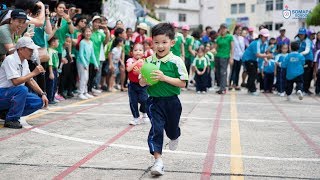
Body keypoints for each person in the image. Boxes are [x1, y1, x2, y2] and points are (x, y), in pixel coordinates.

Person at [139, 23, 188, 176]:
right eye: (157, 42)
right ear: (151, 42)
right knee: (156, 129)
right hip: (154, 102)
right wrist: (145, 80)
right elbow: (141, 81)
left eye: (164, 42)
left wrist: (163, 77)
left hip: (172, 102)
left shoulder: (176, 61)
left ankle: (175, 136)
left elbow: (183, 83)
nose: (160, 46)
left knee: (172, 130)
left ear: (172, 43)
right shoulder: (148, 61)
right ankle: (158, 161)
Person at [0, 37, 48, 129]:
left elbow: (30, 80)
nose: (32, 52)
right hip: (2, 93)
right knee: (22, 89)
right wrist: (34, 73)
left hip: (12, 94)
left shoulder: (24, 61)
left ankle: (4, 114)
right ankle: (11, 119)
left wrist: (42, 93)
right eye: (30, 49)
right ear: (21, 49)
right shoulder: (10, 59)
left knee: (38, 101)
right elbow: (15, 82)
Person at [242, 28, 271, 95]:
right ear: (260, 36)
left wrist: (266, 60)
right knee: (253, 73)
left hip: (254, 59)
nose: (266, 38)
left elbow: (263, 53)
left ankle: (250, 88)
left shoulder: (265, 43)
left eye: (267, 37)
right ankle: (252, 89)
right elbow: (258, 54)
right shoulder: (256, 43)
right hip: (248, 59)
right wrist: (267, 56)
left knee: (253, 74)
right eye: (265, 37)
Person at [126, 43, 148, 125]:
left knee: (144, 100)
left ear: (143, 52)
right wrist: (137, 62)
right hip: (132, 85)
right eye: (135, 50)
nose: (138, 52)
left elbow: (147, 73)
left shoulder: (145, 61)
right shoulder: (130, 60)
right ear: (132, 52)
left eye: (140, 50)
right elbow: (128, 69)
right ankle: (136, 117)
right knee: (133, 101)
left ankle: (144, 112)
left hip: (143, 84)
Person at [77, 27, 97, 100]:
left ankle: (85, 92)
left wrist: (95, 63)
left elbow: (92, 54)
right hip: (81, 62)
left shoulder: (91, 42)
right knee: (83, 77)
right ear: (83, 33)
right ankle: (80, 93)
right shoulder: (82, 42)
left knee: (86, 78)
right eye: (86, 32)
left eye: (89, 31)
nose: (88, 33)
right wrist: (85, 64)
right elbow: (81, 54)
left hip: (87, 62)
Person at [215, 23, 234, 94]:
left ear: (226, 29)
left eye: (224, 28)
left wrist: (231, 57)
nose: (223, 30)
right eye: (221, 28)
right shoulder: (218, 38)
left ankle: (223, 88)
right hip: (217, 56)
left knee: (223, 72)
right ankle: (220, 87)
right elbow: (216, 48)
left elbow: (232, 48)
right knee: (218, 73)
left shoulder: (230, 37)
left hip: (225, 57)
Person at [295, 28, 314, 95]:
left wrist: (297, 54)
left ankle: (305, 90)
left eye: (302, 34)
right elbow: (295, 48)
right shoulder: (297, 40)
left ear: (305, 34)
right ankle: (299, 89)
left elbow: (307, 50)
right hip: (300, 59)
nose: (301, 35)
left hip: (307, 60)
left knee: (306, 75)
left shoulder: (308, 41)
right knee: (299, 74)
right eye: (300, 34)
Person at [229, 25, 245, 91]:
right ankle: (230, 84)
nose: (239, 31)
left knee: (238, 71)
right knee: (233, 71)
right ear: (235, 30)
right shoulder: (232, 37)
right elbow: (231, 48)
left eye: (240, 30)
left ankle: (236, 84)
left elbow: (243, 48)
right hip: (234, 56)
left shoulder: (242, 38)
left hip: (240, 56)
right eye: (238, 30)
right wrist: (231, 57)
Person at [46, 37, 59, 104]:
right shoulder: (50, 50)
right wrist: (51, 72)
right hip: (51, 70)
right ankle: (49, 98)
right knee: (51, 84)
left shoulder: (55, 51)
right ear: (53, 43)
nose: (58, 43)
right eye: (57, 41)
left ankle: (53, 97)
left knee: (55, 84)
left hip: (55, 69)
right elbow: (50, 62)